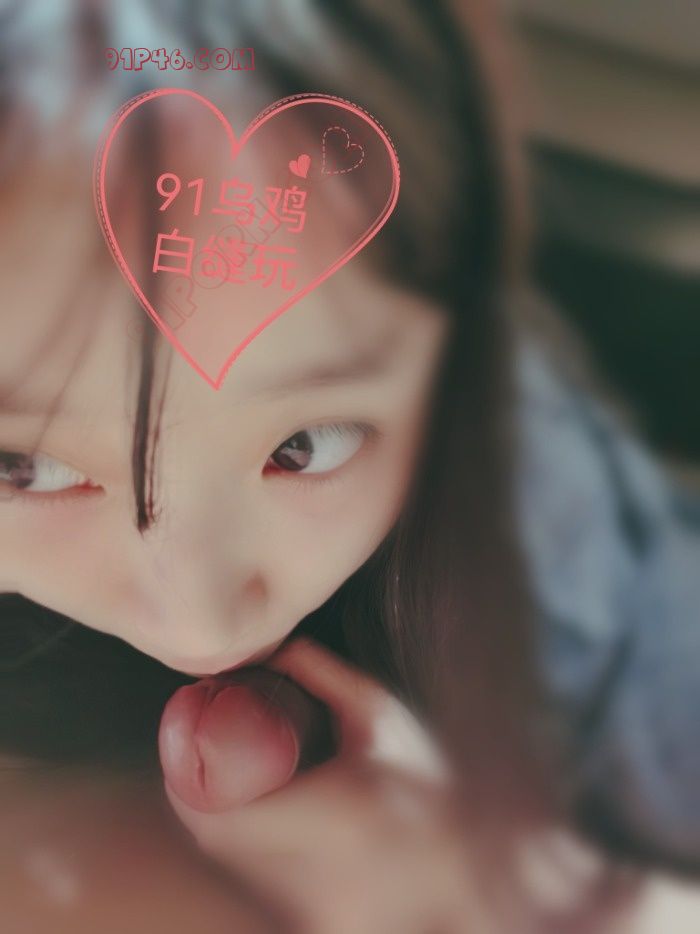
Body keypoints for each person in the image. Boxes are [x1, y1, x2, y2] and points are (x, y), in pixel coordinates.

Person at [0, 1, 698, 930]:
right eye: (22, 466)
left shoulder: (571, 570)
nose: (201, 623)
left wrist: (532, 900)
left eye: (306, 446)